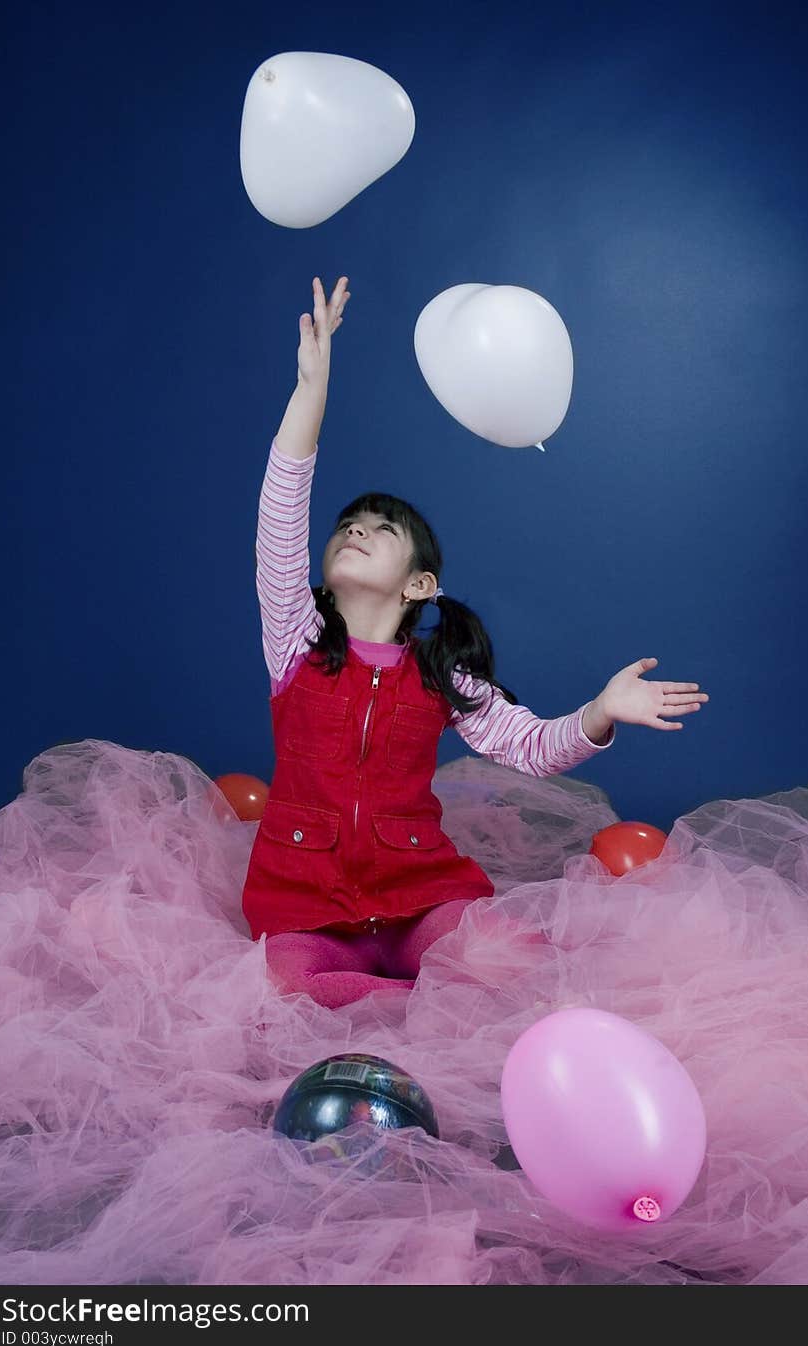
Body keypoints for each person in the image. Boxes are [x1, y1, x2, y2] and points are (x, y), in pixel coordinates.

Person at [242, 276, 709, 1007]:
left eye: (381, 529)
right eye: (348, 526)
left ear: (420, 585)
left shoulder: (439, 672)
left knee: (500, 960)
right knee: (288, 991)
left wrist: (600, 711)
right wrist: (312, 390)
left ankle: (410, 989)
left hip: (418, 896)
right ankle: (393, 1004)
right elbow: (282, 503)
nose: (357, 530)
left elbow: (531, 745)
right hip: (307, 904)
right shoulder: (295, 640)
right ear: (323, 579)